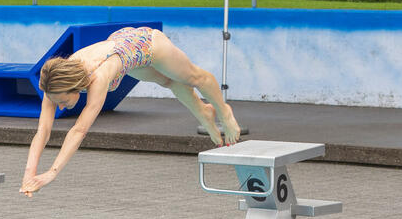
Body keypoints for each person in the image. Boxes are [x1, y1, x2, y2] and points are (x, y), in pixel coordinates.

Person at [20, 26, 242, 196]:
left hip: (147, 45)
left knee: (193, 77)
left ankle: (224, 112)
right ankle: (204, 113)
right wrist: (30, 174)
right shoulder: (51, 84)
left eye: (62, 101)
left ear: (73, 87)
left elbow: (78, 131)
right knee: (170, 82)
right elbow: (43, 130)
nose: (59, 106)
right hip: (124, 52)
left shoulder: (98, 78)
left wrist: (52, 173)